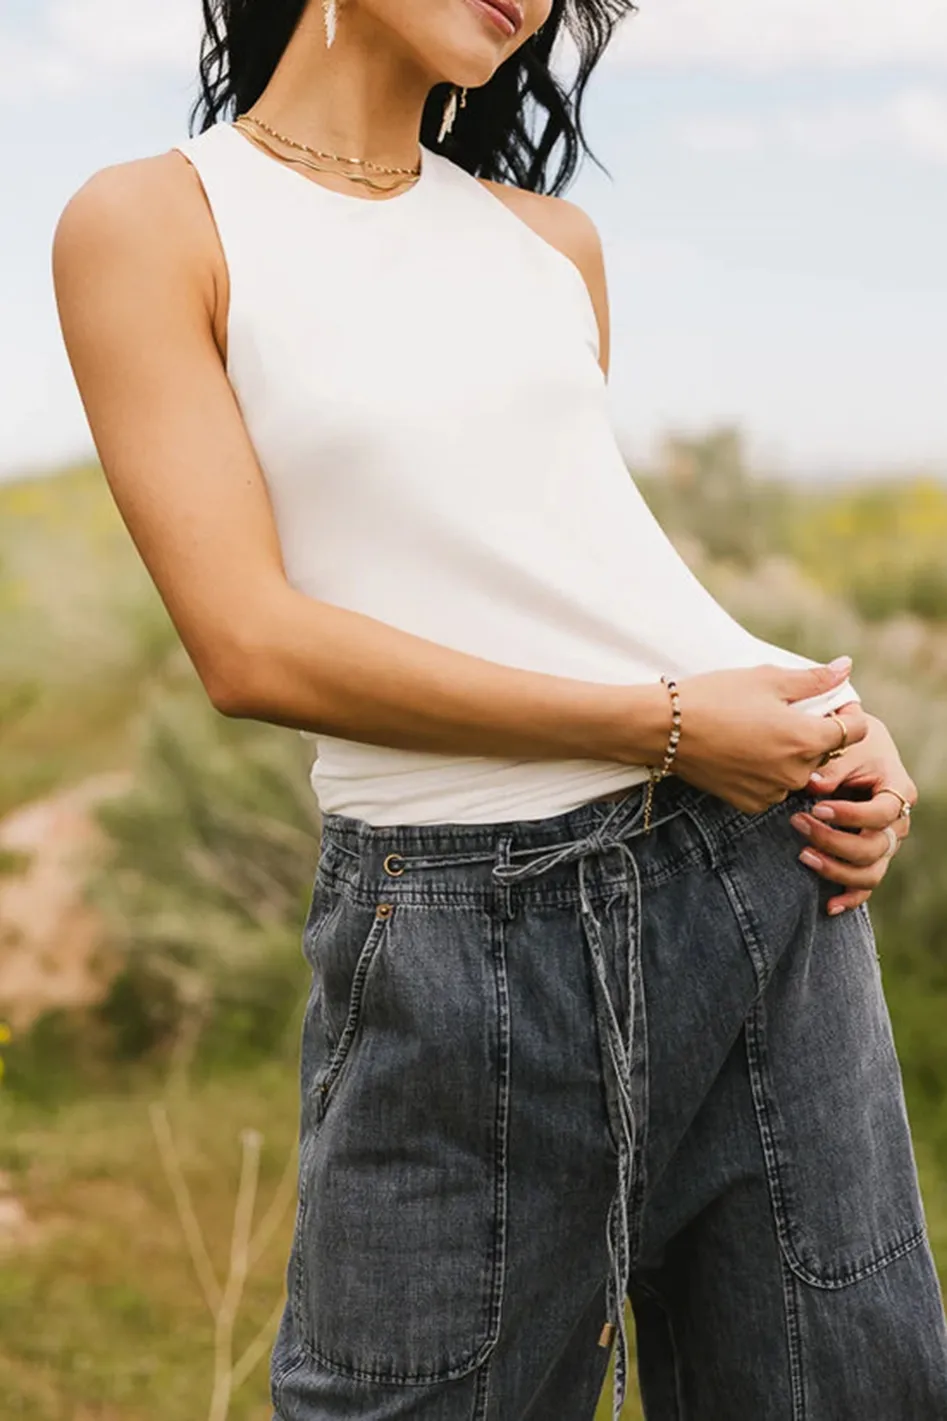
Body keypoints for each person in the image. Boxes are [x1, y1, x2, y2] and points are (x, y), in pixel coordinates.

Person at [52, 1, 947, 1417]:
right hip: (461, 934)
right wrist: (660, 722)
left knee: (847, 1387)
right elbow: (248, 644)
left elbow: (574, 567)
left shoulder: (547, 246)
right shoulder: (153, 223)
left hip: (753, 889)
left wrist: (820, 714)